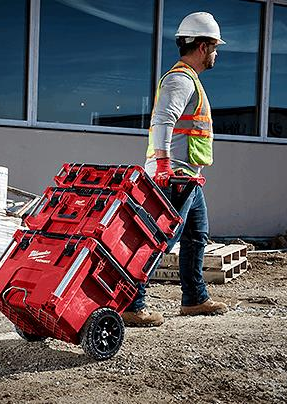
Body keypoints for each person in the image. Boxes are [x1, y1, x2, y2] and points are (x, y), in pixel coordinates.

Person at [122, 12, 229, 327]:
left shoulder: (189, 80)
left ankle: (194, 299)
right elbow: (163, 120)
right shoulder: (180, 79)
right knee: (158, 241)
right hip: (173, 177)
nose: (216, 53)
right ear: (202, 46)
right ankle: (132, 304)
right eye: (214, 47)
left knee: (196, 236)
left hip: (188, 177)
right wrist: (164, 165)